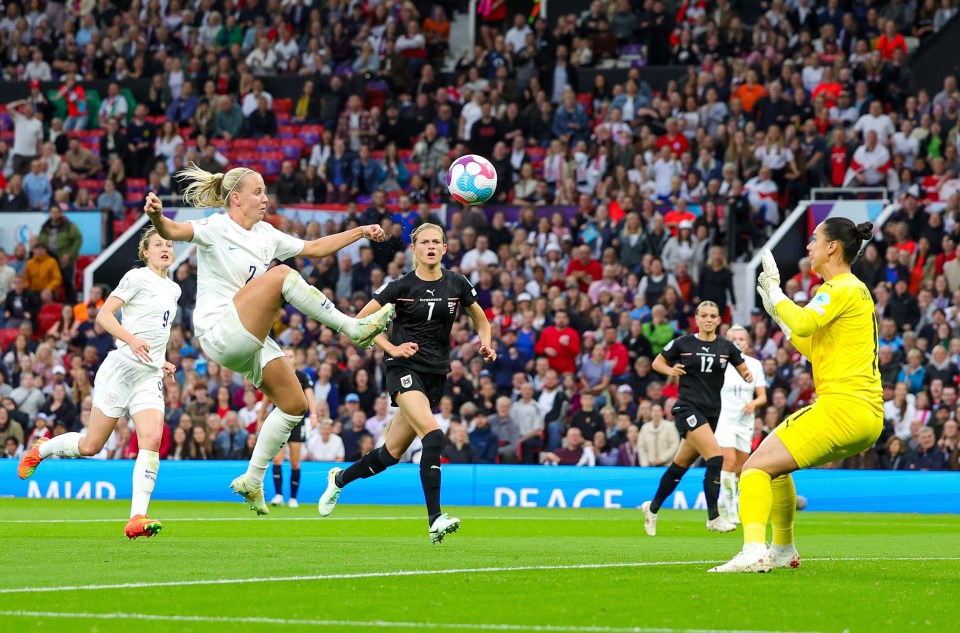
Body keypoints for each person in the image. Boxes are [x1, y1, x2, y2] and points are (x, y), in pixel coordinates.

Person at [142, 164, 394, 515]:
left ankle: (253, 479)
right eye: (257, 192)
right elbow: (171, 228)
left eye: (264, 191)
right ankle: (353, 328)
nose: (265, 198)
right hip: (219, 329)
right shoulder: (215, 227)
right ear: (236, 199)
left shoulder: (267, 234)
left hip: (248, 340)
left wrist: (361, 231)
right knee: (281, 275)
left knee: (294, 405)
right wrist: (156, 216)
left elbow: (317, 248)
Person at [711, 219, 881, 573]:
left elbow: (804, 323)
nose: (808, 247)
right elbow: (812, 344)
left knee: (753, 468)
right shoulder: (855, 291)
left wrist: (776, 293)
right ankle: (783, 548)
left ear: (833, 247)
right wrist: (778, 313)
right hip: (865, 415)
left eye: (814, 240)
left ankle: (754, 549)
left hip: (842, 409)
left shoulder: (840, 288)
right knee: (774, 465)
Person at [316, 223, 497, 543]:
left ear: (444, 248)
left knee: (390, 454)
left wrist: (486, 343)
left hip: (436, 374)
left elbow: (480, 318)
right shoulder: (399, 287)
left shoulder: (457, 283)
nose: (430, 246)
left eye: (436, 242)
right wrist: (392, 348)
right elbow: (358, 323)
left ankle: (340, 478)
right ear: (413, 249)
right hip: (403, 368)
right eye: (424, 242)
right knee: (435, 434)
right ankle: (435, 519)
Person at [18, 228, 179, 539]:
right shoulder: (136, 277)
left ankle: (137, 517)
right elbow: (104, 317)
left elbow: (156, 334)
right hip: (119, 369)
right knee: (91, 446)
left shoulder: (174, 289)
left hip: (148, 374)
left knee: (152, 439)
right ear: (144, 252)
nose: (165, 248)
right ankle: (44, 448)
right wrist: (131, 340)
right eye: (158, 244)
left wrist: (161, 361)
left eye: (169, 244)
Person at [640, 301, 754, 536]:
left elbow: (740, 365)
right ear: (697, 318)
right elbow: (657, 362)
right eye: (704, 315)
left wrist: (746, 374)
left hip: (712, 412)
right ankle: (714, 517)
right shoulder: (684, 343)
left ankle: (651, 510)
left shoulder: (726, 346)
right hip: (687, 408)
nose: (709, 319)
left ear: (719, 319)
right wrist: (669, 370)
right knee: (716, 457)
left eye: (713, 315)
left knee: (679, 468)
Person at [715, 325, 767, 524]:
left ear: (748, 343)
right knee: (727, 461)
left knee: (741, 467)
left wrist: (753, 403)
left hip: (745, 420)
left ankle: (725, 501)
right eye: (733, 338)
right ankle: (729, 509)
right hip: (724, 417)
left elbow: (762, 396)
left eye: (741, 339)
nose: (737, 342)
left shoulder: (754, 365)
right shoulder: (720, 364)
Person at [259, 347, 318, 509]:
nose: (289, 358)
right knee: (277, 459)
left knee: (295, 462)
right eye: (286, 356)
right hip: (279, 419)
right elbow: (267, 398)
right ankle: (278, 495)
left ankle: (293, 497)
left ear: (295, 359)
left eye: (291, 356)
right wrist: (260, 417)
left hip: (297, 421)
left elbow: (310, 397)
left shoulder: (303, 377)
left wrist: (313, 415)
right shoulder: (277, 376)